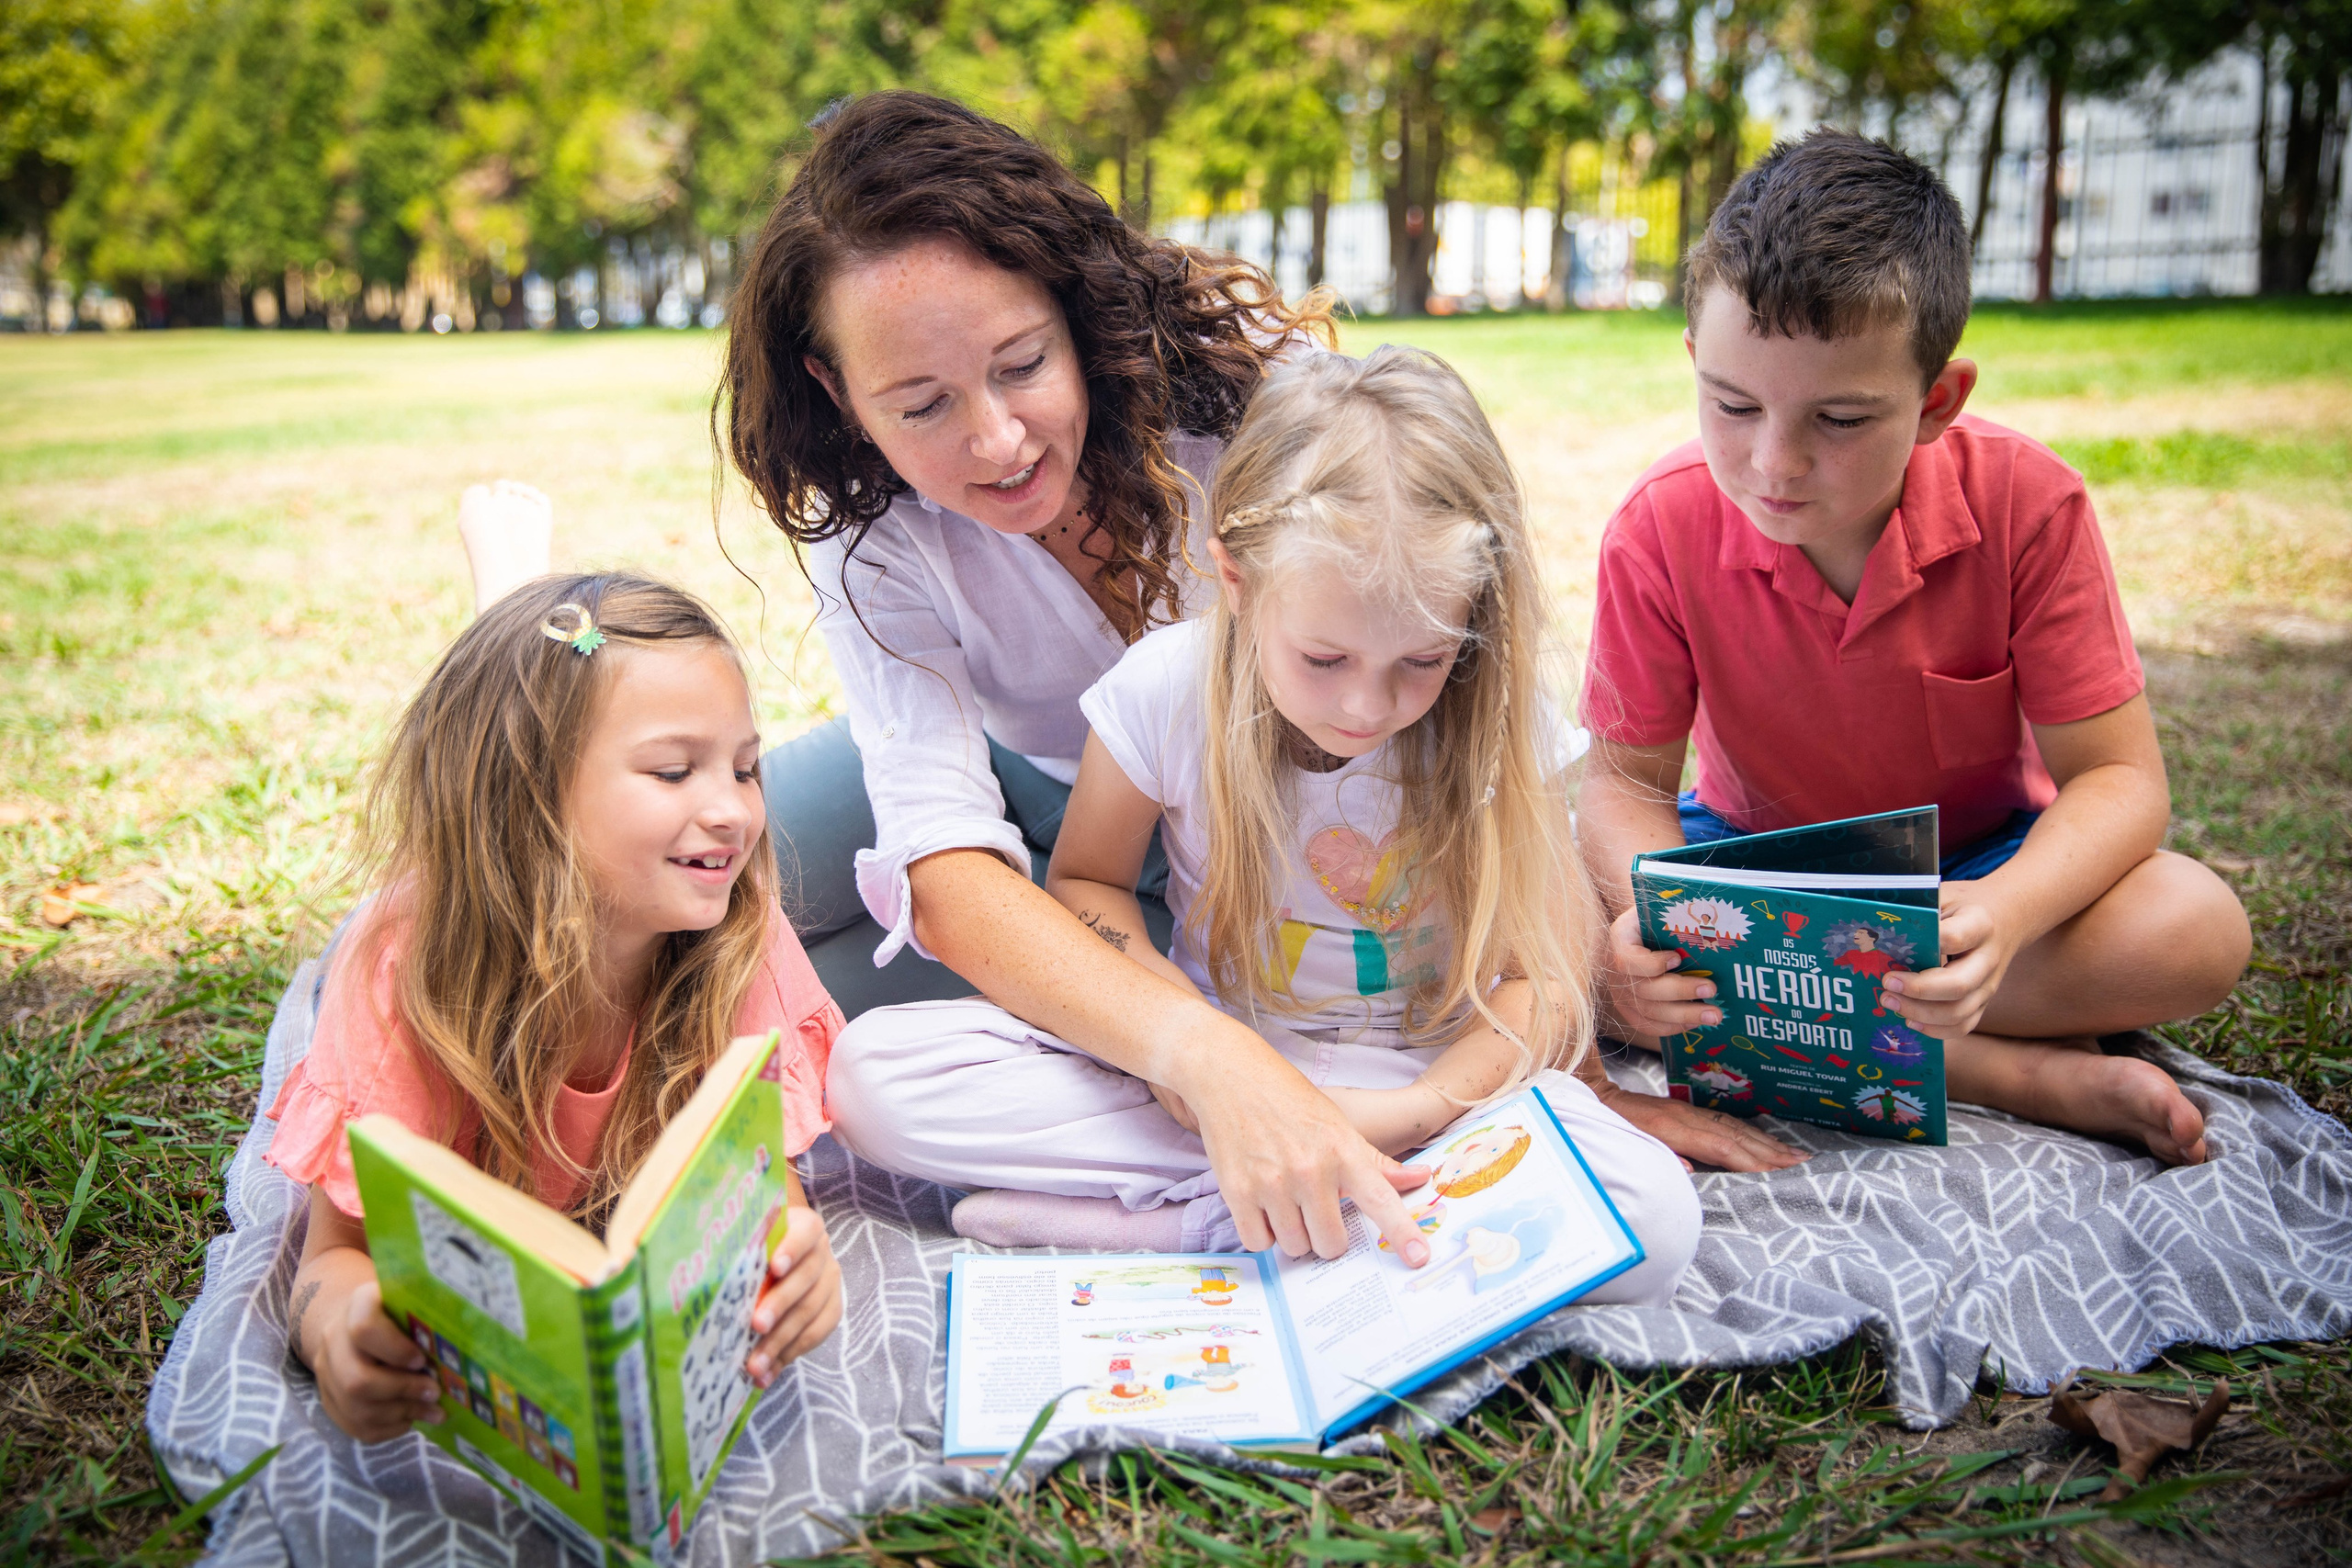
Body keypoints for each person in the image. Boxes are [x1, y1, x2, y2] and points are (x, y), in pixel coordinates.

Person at [822, 348, 1701, 1303]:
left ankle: (1200, 1223)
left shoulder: (1499, 719)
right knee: (876, 1075)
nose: (1367, 706)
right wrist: (1198, 1071)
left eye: (1421, 659)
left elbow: (1544, 976)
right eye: (1322, 657)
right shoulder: (1163, 690)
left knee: (1651, 1219)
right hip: (1221, 1069)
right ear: (1233, 582)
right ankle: (1321, 1212)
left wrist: (1410, 1110)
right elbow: (1087, 885)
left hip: (1429, 1086)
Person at [1579, 130, 2252, 1167]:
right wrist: (1649, 921)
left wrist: (2008, 913)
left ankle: (1827, 1024)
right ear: (1693, 365)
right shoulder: (1657, 526)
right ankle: (2008, 1069)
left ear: (1938, 401)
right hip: (1749, 882)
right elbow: (1624, 785)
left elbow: (2118, 779)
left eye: (1839, 417)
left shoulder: (2029, 504)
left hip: (1966, 883)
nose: (1773, 463)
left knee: (2196, 926)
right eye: (1731, 404)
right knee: (1528, 932)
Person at [268, 574, 845, 1442]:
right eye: (673, 770)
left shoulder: (735, 933)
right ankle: (506, 586)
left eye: (746, 767)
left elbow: (770, 1198)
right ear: (526, 793)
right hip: (462, 912)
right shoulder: (407, 976)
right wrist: (341, 1333)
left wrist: (797, 1260)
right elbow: (331, 1260)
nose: (733, 810)